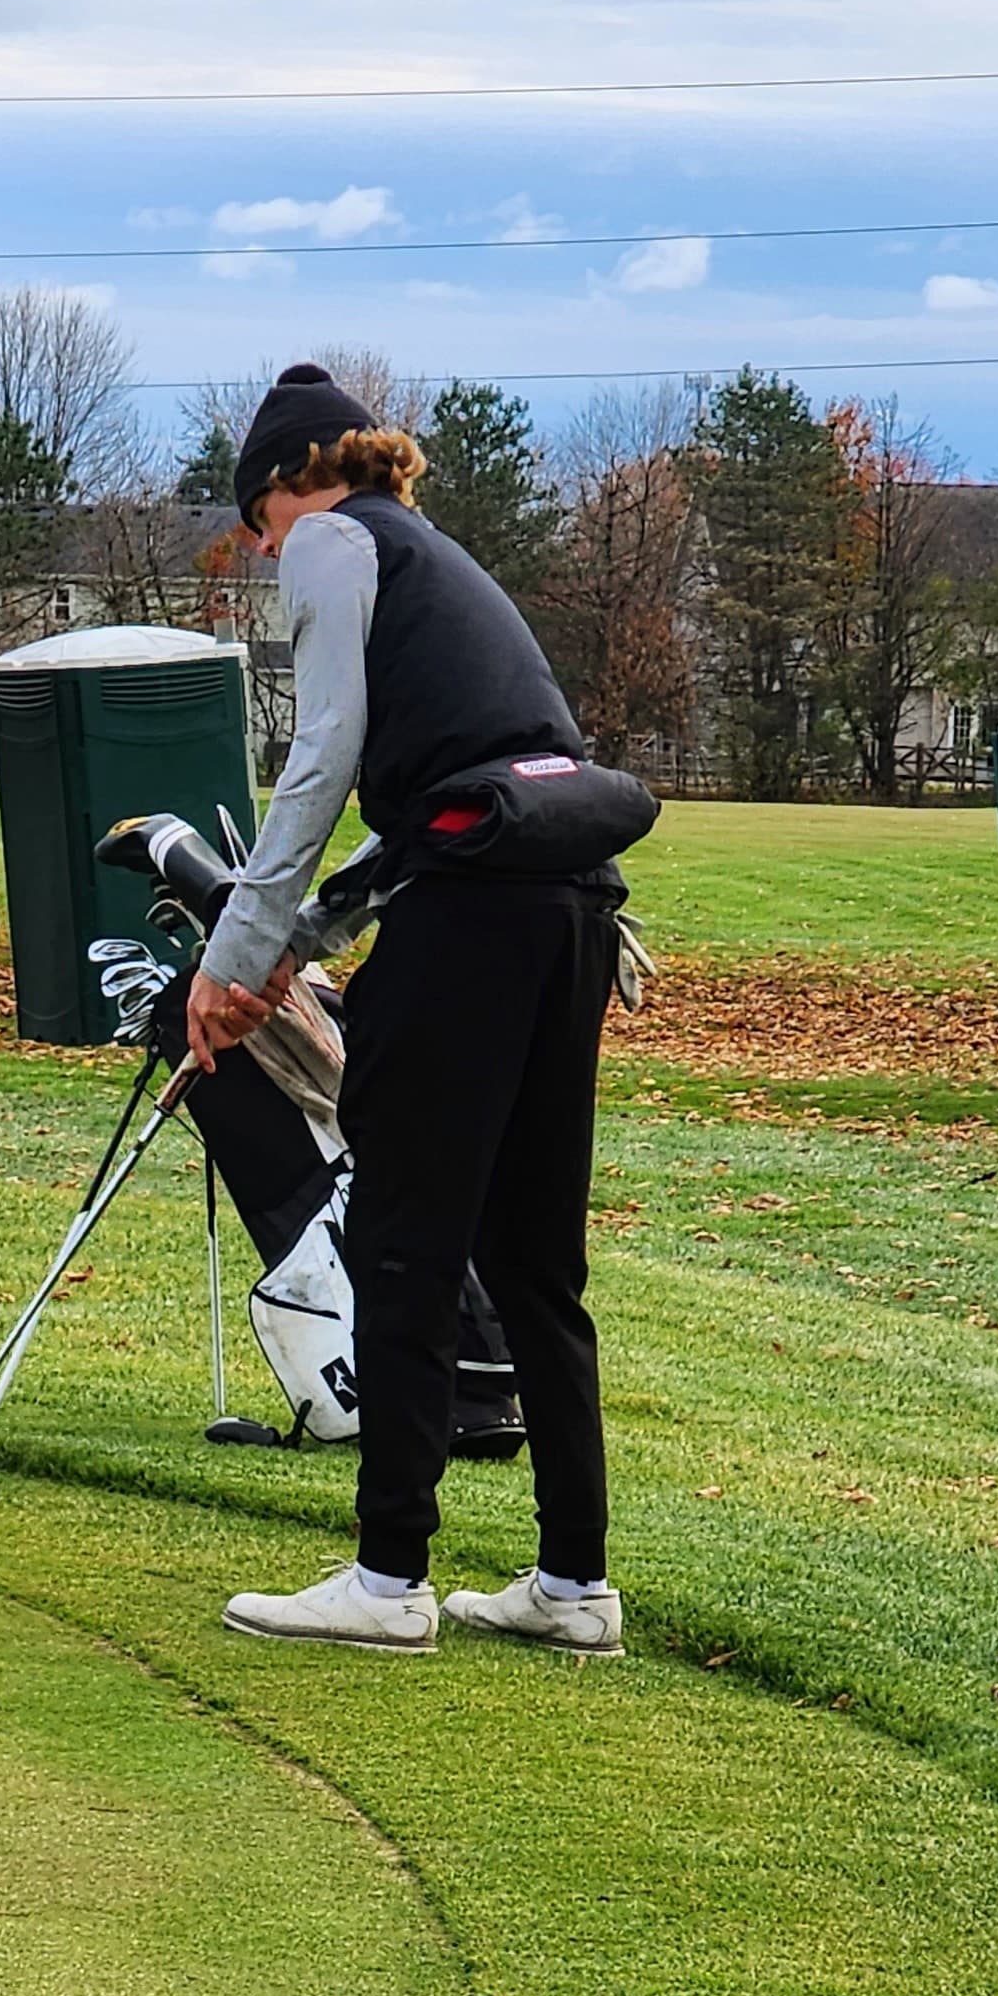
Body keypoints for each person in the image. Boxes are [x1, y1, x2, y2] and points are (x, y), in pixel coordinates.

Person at [190, 363, 628, 1659]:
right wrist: (292, 948)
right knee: (538, 1264)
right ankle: (572, 1585)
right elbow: (441, 814)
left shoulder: (329, 539)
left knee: (404, 1240)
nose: (267, 557)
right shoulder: (433, 554)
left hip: (477, 929)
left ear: (281, 489)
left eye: (254, 526)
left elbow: (321, 759)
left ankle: (388, 1583)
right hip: (570, 912)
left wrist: (231, 957)